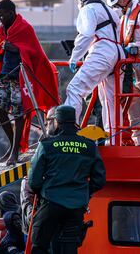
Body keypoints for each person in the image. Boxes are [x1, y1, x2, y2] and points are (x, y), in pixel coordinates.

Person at [0, 0, 59, 165]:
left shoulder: (25, 28)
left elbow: (35, 52)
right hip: (6, 75)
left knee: (20, 113)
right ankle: (15, 145)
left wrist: (16, 49)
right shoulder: (3, 29)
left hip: (21, 77)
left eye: (1, 15)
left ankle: (14, 151)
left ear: (11, 12)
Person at [29, 105, 106, 254]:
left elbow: (34, 181)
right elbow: (99, 179)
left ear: (57, 122)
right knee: (70, 248)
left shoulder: (47, 145)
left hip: (51, 203)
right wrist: (84, 193)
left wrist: (43, 191)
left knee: (39, 245)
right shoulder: (89, 146)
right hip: (76, 207)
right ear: (74, 122)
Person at [65, 0, 125, 144]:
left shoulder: (88, 9)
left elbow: (86, 34)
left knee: (75, 89)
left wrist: (75, 57)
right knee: (111, 100)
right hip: (117, 54)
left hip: (102, 53)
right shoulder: (110, 11)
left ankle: (68, 134)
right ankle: (114, 140)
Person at [107, 0, 140, 146]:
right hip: (130, 66)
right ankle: (139, 140)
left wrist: (136, 46)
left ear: (123, 0)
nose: (117, 9)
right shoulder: (125, 17)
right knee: (133, 103)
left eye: (117, 6)